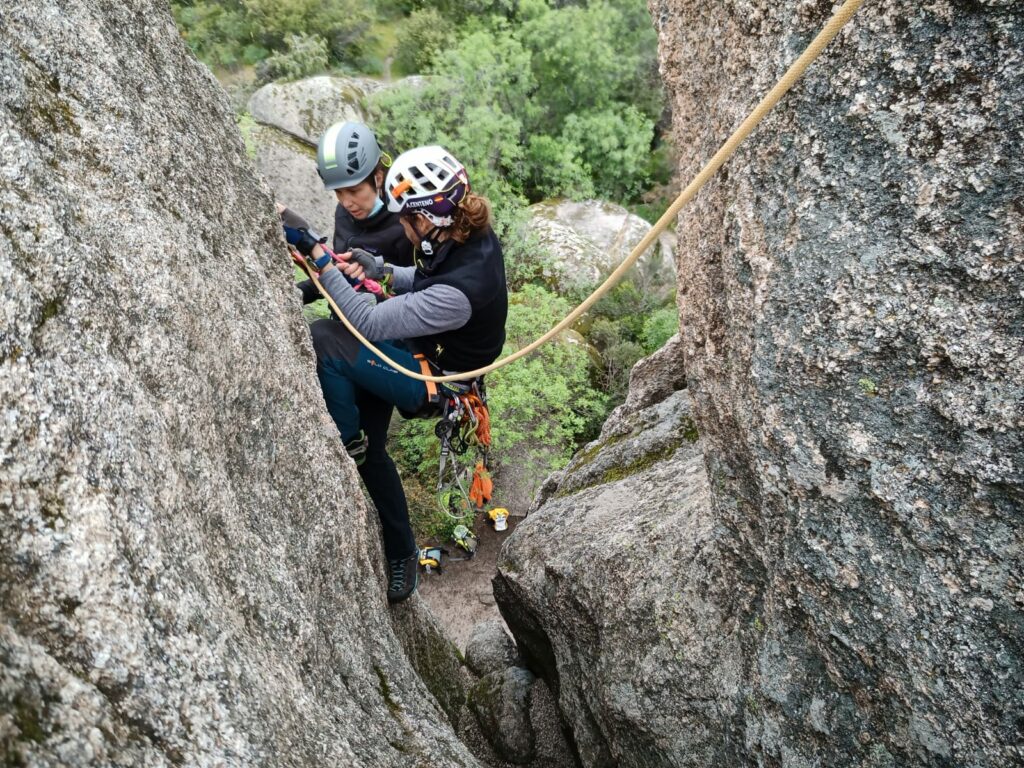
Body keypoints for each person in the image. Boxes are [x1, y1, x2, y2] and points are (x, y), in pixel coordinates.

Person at [291, 145, 508, 604]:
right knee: (374, 450)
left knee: (327, 338)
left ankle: (345, 442)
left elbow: (365, 323)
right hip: (422, 353)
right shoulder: (467, 236)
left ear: (425, 220)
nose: (400, 226)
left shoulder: (460, 291)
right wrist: (384, 270)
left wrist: (315, 250)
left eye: (405, 219)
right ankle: (402, 551)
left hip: (433, 382)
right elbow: (428, 277)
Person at [279, 120, 414, 310]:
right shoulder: (343, 214)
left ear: (378, 177)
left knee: (321, 332)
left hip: (393, 324)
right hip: (348, 317)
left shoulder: (406, 221)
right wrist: (298, 294)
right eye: (338, 192)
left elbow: (423, 282)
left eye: (353, 190)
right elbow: (336, 271)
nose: (346, 202)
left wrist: (381, 275)